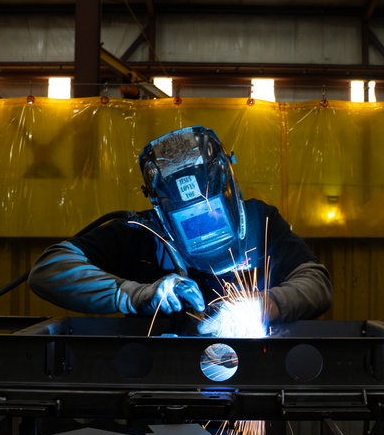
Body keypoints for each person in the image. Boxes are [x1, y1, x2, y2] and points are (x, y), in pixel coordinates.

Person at [29, 126, 332, 333]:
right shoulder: (143, 233)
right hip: (157, 388)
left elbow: (316, 283)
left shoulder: (258, 221)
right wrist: (136, 295)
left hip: (245, 384)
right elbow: (48, 270)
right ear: (165, 211)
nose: (204, 230)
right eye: (189, 220)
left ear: (228, 193)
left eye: (211, 213)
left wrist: (266, 306)